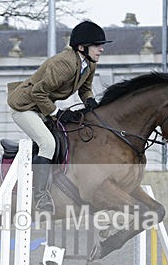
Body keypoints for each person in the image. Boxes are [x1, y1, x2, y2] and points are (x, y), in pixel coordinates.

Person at [7, 20, 111, 213]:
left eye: (101, 45)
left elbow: (86, 89)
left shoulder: (89, 64)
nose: (101, 49)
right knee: (48, 143)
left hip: (40, 105)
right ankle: (39, 196)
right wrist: (57, 113)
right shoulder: (64, 64)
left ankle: (55, 182)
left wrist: (91, 104)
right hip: (25, 106)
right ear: (82, 47)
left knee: (66, 136)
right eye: (97, 45)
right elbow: (38, 93)